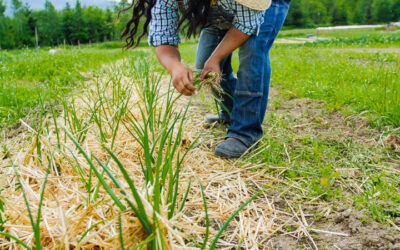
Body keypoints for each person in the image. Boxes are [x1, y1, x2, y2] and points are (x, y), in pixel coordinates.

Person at [121, 0, 290, 158]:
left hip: (265, 6)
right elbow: (163, 37)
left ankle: (245, 132)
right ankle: (231, 113)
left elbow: (247, 25)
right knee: (205, 66)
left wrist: (216, 58)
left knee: (253, 50)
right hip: (218, 9)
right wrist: (174, 66)